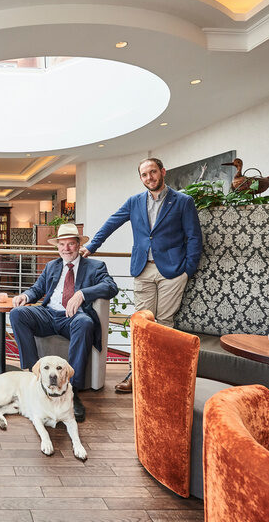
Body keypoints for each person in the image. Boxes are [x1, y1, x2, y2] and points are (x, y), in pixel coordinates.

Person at [80, 157, 202, 393]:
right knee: (142, 324)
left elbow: (194, 237)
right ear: (141, 178)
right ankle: (136, 374)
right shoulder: (134, 202)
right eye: (144, 175)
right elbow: (111, 223)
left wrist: (188, 269)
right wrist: (92, 246)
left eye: (153, 172)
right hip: (142, 269)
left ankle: (161, 376)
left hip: (173, 272)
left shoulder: (183, 201)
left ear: (162, 172)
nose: (149, 178)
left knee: (165, 324)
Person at [9, 223, 118, 422]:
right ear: (57, 246)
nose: (66, 248)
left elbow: (111, 286)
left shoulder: (95, 266)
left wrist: (83, 293)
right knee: (17, 314)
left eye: (70, 244)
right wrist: (26, 295)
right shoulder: (52, 266)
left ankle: (72, 391)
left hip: (74, 318)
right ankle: (35, 377)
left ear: (78, 245)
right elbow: (38, 289)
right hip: (49, 314)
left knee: (85, 322)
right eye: (62, 244)